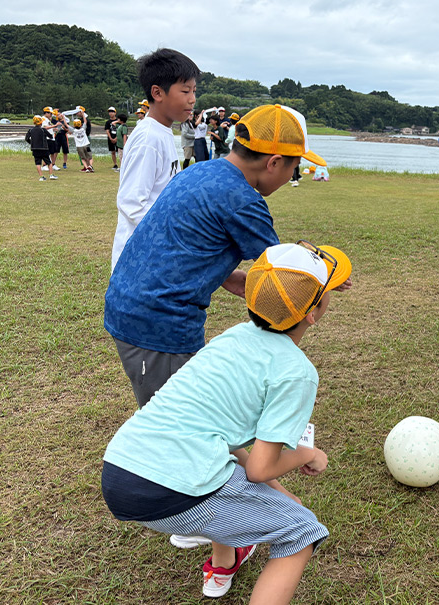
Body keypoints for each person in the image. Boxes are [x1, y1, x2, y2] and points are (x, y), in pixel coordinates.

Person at [102, 240, 349, 602]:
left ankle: (226, 557)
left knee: (222, 473)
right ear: (313, 313)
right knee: (302, 532)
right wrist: (309, 454)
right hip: (173, 489)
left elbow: (227, 445)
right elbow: (261, 469)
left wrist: (283, 496)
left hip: (120, 469)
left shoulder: (231, 339)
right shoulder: (297, 373)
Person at [105, 104, 328, 410]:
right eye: (294, 167)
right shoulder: (244, 201)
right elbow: (286, 277)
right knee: (182, 423)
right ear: (274, 162)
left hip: (130, 302)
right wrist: (327, 276)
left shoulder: (201, 170)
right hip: (159, 324)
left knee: (191, 410)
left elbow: (180, 239)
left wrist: (221, 273)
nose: (292, 175)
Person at [110, 47, 200, 271]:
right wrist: (172, 240)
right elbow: (131, 203)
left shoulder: (163, 131)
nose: (192, 100)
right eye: (185, 91)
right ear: (158, 93)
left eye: (194, 91)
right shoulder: (149, 138)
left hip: (156, 257)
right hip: (139, 260)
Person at [25, 115, 51, 181]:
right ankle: (51, 175)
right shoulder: (43, 130)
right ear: (41, 122)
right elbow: (50, 136)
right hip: (44, 148)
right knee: (48, 162)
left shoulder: (31, 130)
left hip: (35, 148)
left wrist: (31, 143)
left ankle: (41, 176)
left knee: (38, 163)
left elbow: (26, 138)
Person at [40, 106, 59, 174]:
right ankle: (44, 165)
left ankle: (52, 164)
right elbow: (45, 128)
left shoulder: (48, 120)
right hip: (46, 138)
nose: (51, 115)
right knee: (47, 152)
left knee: (53, 152)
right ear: (46, 113)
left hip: (51, 137)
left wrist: (54, 129)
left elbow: (49, 128)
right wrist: (54, 126)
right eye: (50, 113)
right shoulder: (43, 119)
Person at [105, 106, 120, 170]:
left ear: (115, 113)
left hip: (118, 138)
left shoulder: (118, 121)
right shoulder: (108, 122)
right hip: (111, 138)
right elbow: (107, 130)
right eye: (109, 112)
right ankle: (115, 164)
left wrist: (116, 138)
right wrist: (111, 138)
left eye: (112, 112)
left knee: (120, 151)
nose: (110, 113)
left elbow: (120, 130)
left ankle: (122, 163)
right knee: (112, 151)